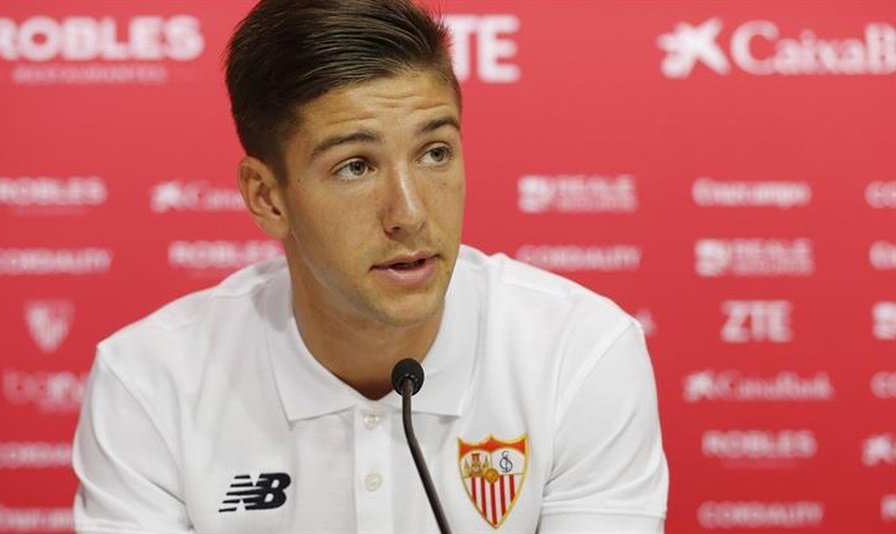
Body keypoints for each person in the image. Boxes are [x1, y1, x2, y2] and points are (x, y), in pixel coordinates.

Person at [71, 0, 669, 532]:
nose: (409, 214)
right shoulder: (149, 380)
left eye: (435, 153)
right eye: (355, 166)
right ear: (267, 196)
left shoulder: (579, 351)